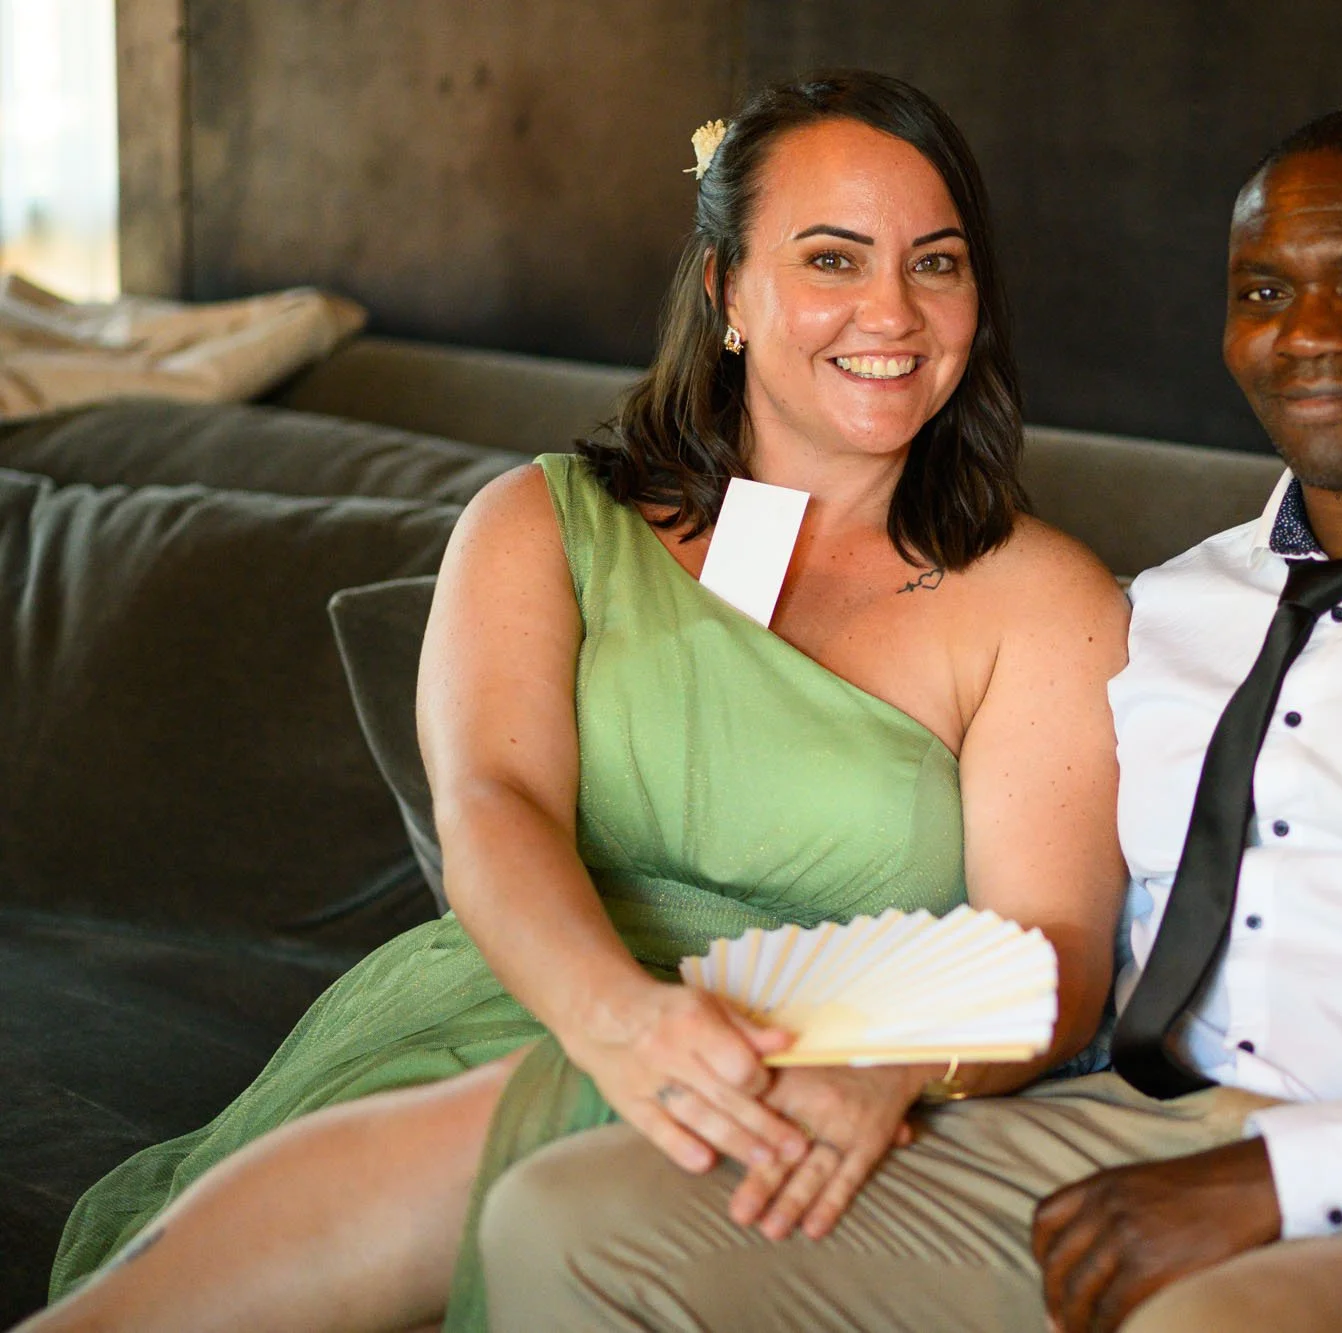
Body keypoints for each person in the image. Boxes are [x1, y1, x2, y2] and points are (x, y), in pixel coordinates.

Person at [474, 109, 1342, 1333]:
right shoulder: (1167, 610)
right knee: (570, 1221)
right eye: (1265, 292)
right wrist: (906, 1059)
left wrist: (1280, 1176)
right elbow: (1042, 931)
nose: (1310, 332)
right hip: (1102, 1129)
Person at [27, 70, 1132, 1333]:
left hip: (818, 1074)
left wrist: (888, 1065)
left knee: (667, 1132)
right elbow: (492, 805)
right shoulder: (537, 526)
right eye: (833, 257)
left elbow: (1052, 948)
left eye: (934, 263)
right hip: (523, 1000)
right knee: (568, 1107)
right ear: (724, 291)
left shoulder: (1046, 602)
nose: (890, 308)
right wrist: (618, 1026)